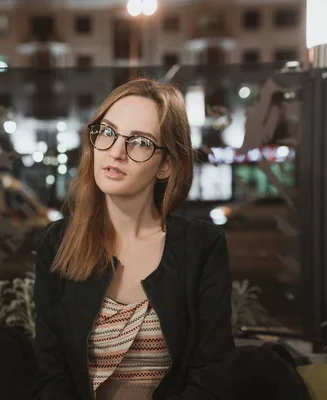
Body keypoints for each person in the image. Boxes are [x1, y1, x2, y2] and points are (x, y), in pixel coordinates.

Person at [33, 78, 234, 400]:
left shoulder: (202, 247)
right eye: (108, 132)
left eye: (139, 142)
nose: (115, 152)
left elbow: (212, 373)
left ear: (166, 165)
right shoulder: (58, 244)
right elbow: (51, 371)